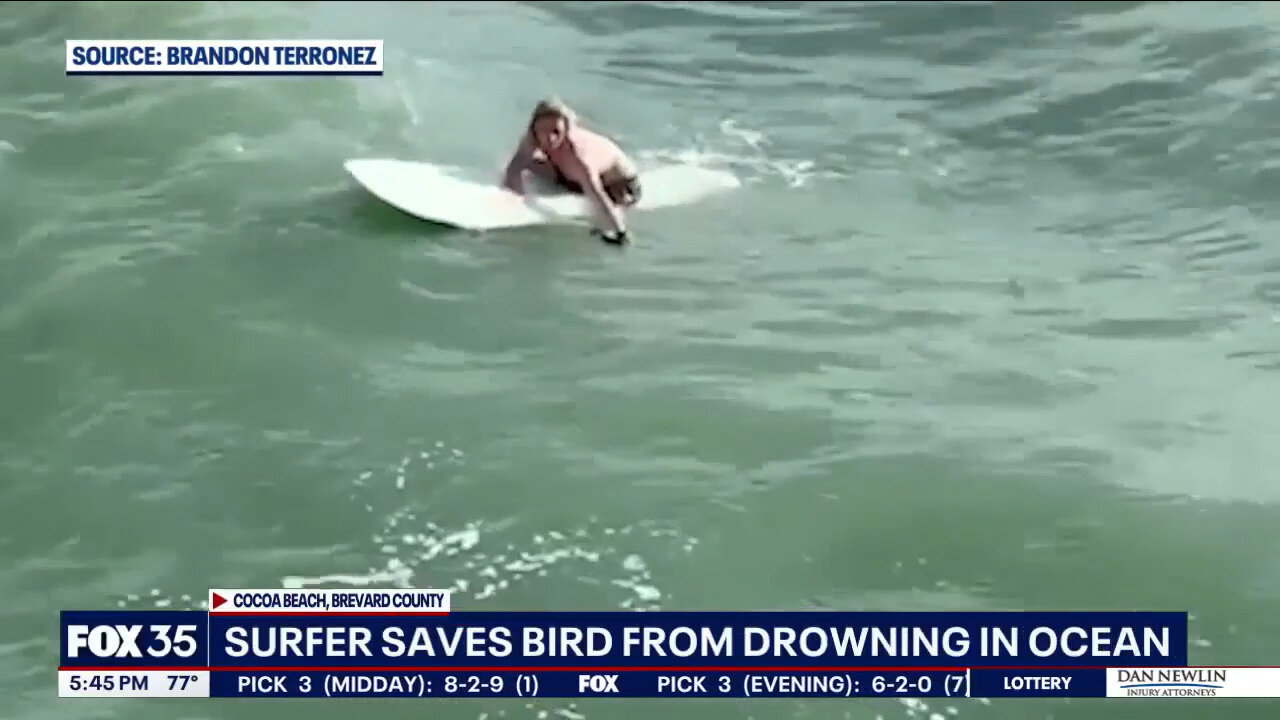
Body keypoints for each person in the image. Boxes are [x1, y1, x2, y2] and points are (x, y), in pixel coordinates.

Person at [501, 98, 641, 245]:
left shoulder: (579, 156)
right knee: (530, 163)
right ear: (533, 128)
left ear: (566, 130)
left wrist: (620, 233)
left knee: (604, 204)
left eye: (556, 132)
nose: (550, 138)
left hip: (619, 185)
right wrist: (516, 200)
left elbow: (597, 194)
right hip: (569, 176)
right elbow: (513, 170)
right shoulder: (531, 139)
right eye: (543, 131)